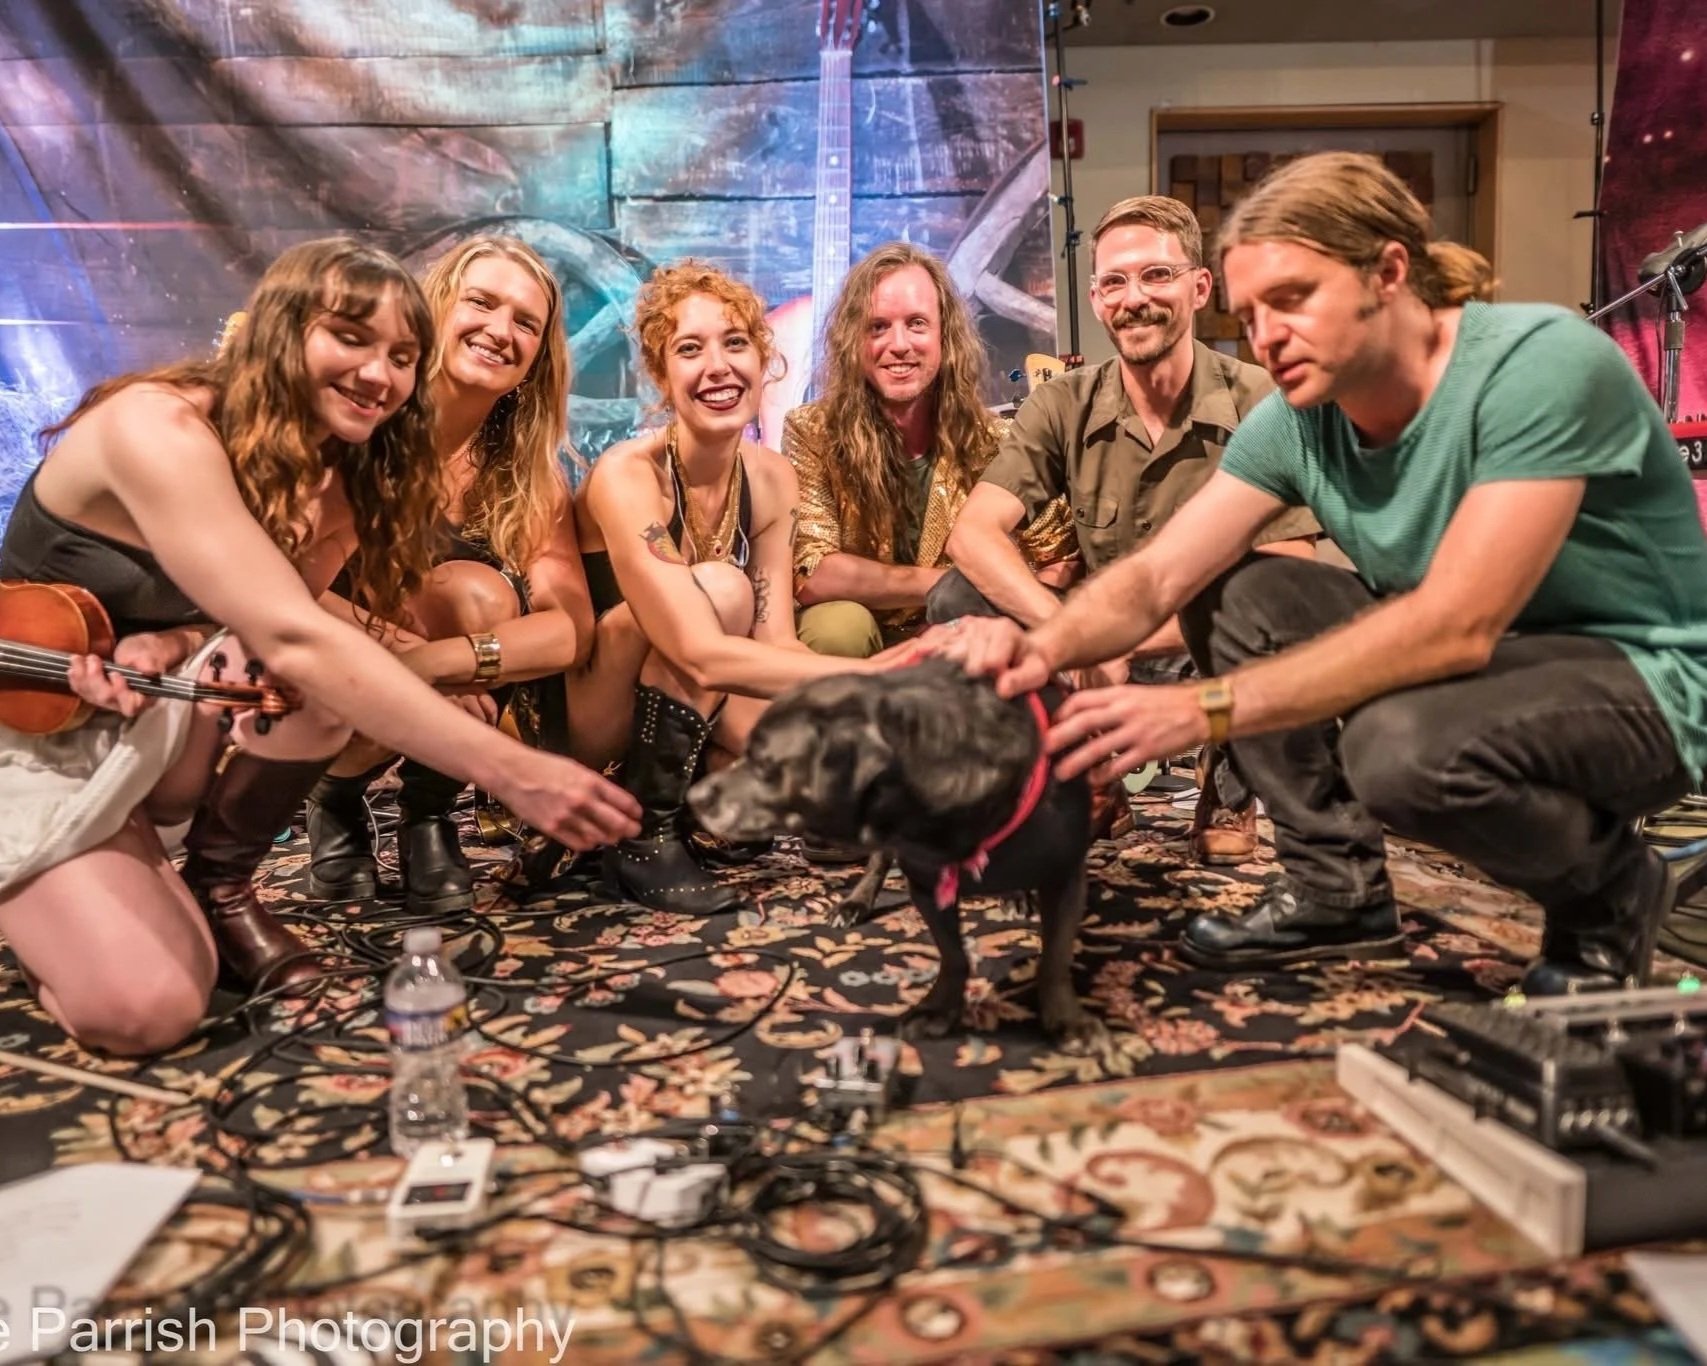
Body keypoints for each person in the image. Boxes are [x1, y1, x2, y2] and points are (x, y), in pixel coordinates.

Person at [934, 151, 1706, 995]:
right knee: (1240, 596)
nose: (1265, 335)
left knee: (1398, 753)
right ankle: (1336, 893)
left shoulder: (1540, 363)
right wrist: (1041, 650)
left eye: (1291, 299)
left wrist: (1201, 706)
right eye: (1251, 313)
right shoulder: (1299, 417)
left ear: (1388, 271)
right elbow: (1155, 577)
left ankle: (1610, 895)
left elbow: (1457, 624)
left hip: (1646, 683)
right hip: (1477, 675)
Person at [0, 238, 639, 1057]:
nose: (378, 373)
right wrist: (512, 768)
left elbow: (278, 617)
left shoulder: (348, 471)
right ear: (280, 329)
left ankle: (216, 884)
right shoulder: (154, 426)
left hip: (149, 725)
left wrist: (181, 638)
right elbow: (295, 632)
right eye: (350, 337)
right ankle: (73, 902)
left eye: (400, 357)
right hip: (35, 727)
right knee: (151, 1010)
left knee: (304, 684)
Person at [938, 195, 1319, 863]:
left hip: (1205, 643)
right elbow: (972, 535)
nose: (1133, 297)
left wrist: (1126, 639)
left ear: (1199, 287)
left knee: (1272, 599)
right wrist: (1073, 642)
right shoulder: (1063, 402)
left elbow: (1291, 566)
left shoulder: (1259, 398)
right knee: (956, 601)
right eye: (1113, 282)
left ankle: (1228, 787)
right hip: (1097, 651)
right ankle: (1073, 782)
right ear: (1093, 299)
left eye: (1156, 275)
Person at [574, 260, 908, 916]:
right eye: (689, 349)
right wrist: (872, 683)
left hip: (691, 697)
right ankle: (645, 837)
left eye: (734, 343)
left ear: (765, 357)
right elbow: (698, 650)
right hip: (588, 714)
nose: (718, 366)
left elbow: (776, 640)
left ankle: (694, 796)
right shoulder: (627, 472)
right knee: (722, 592)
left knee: (827, 774)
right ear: (662, 376)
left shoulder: (769, 476)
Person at [304, 235, 597, 914]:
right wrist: (405, 658)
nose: (501, 330)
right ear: (436, 312)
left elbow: (569, 629)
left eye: (525, 323)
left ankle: (426, 815)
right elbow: (276, 590)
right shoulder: (361, 418)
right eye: (482, 304)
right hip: (326, 679)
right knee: (434, 603)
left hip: (441, 681)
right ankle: (335, 799)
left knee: (479, 594)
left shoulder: (529, 475)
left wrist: (441, 664)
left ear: (537, 359)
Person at [785, 242, 1076, 659]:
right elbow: (811, 571)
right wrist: (956, 583)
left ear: (946, 336)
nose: (899, 344)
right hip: (860, 638)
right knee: (837, 627)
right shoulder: (812, 430)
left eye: (917, 323)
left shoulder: (995, 439)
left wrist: (980, 611)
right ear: (853, 340)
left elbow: (1061, 554)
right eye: (878, 327)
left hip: (962, 637)